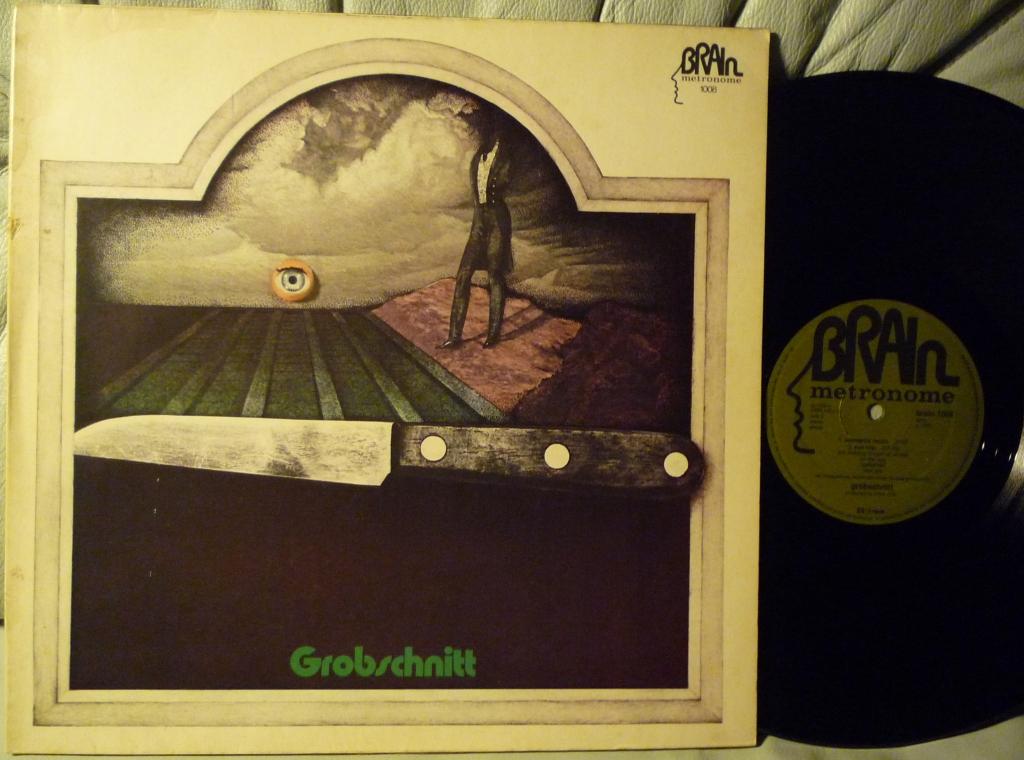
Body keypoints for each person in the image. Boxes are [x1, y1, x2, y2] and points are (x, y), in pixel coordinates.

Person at [442, 106, 512, 348]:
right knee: (463, 274)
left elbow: (505, 182)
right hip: (479, 220)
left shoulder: (506, 156)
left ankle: (493, 334)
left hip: (498, 220)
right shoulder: (477, 159)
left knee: (495, 275)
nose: (479, 132)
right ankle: (454, 336)